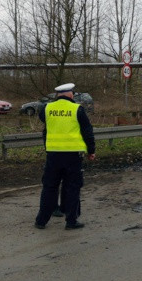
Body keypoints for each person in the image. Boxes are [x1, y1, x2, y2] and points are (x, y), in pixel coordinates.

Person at [34, 83, 96, 230]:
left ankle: (41, 221)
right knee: (72, 188)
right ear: (70, 94)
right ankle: (71, 221)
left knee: (49, 187)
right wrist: (91, 150)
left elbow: (46, 128)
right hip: (73, 156)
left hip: (53, 155)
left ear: (58, 94)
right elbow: (87, 131)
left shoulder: (47, 109)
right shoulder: (77, 109)